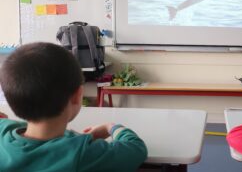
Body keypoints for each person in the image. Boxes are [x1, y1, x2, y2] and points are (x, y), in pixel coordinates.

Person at [0, 42, 147, 171]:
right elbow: (136, 148)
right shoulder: (82, 153)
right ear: (77, 96)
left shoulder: (3, 131)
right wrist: (111, 127)